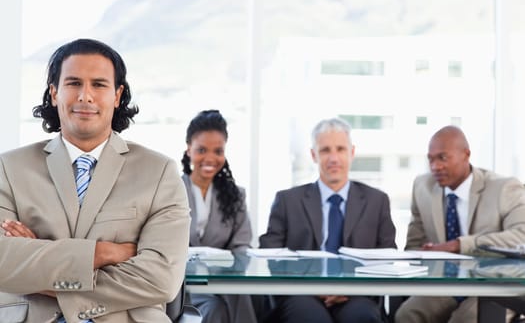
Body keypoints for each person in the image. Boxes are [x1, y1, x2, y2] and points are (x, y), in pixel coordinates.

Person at [0, 38, 190, 322]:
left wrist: (38, 262)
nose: (85, 96)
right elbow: (3, 263)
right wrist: (105, 253)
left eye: (99, 85)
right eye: (73, 83)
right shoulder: (9, 167)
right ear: (54, 93)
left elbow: (160, 279)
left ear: (117, 94)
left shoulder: (159, 172)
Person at [259, 117, 396, 323]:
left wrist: (349, 290)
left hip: (357, 294)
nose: (333, 158)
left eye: (340, 149)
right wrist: (313, 288)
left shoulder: (377, 201)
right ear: (314, 155)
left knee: (361, 317)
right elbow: (270, 256)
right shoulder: (287, 200)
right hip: (302, 294)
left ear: (352, 153)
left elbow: (387, 257)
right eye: (325, 150)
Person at [395, 125, 525, 323]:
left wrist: (459, 245)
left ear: (466, 154)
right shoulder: (423, 187)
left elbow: (521, 236)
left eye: (442, 158)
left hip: (495, 286)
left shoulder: (504, 188)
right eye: (430, 159)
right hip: (445, 283)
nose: (435, 167)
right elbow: (414, 245)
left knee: (464, 320)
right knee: (407, 315)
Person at [181, 109, 256, 323]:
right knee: (214, 308)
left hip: (223, 282)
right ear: (189, 149)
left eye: (218, 151)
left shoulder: (235, 195)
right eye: (202, 150)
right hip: (183, 286)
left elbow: (242, 246)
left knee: (242, 297)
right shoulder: (171, 190)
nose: (210, 158)